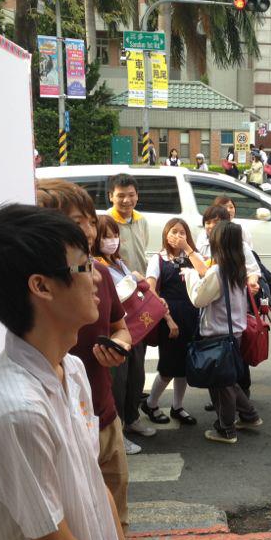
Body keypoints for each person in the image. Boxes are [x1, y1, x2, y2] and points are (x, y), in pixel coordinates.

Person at [0, 204, 141, 540]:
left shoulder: (71, 370)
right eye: (84, 266)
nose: (98, 277)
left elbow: (96, 488)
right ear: (41, 286)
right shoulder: (17, 413)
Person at [36, 179, 136, 529]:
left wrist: (120, 345)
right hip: (67, 432)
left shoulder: (102, 275)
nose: (90, 231)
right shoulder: (40, 292)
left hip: (105, 417)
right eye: (77, 222)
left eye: (92, 221)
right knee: (83, 528)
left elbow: (121, 327)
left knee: (116, 521)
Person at [185, 222, 263, 443]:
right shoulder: (238, 267)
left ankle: (226, 429)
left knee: (222, 385)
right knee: (227, 380)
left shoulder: (218, 271)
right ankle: (249, 415)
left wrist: (190, 275)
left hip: (217, 334)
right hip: (233, 332)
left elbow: (198, 298)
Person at [92, 215, 153, 455]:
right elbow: (114, 296)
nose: (112, 240)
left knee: (136, 377)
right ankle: (119, 432)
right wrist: (132, 281)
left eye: (115, 235)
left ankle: (132, 418)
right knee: (118, 383)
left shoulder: (118, 262)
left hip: (135, 329)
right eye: (106, 236)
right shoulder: (97, 267)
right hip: (115, 332)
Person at [142, 219, 208, 426]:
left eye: (182, 232)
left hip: (192, 315)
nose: (178, 236)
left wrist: (187, 248)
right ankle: (151, 403)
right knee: (168, 366)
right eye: (173, 232)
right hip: (169, 316)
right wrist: (168, 319)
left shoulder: (191, 256)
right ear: (166, 234)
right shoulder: (158, 259)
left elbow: (205, 273)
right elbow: (150, 290)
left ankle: (177, 406)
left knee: (185, 365)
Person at [106, 173, 156, 440]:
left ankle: (133, 417)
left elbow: (141, 257)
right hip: (117, 309)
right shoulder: (106, 223)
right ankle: (117, 427)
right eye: (120, 195)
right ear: (111, 196)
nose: (126, 200)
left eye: (131, 194)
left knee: (137, 368)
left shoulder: (141, 221)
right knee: (118, 373)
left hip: (139, 304)